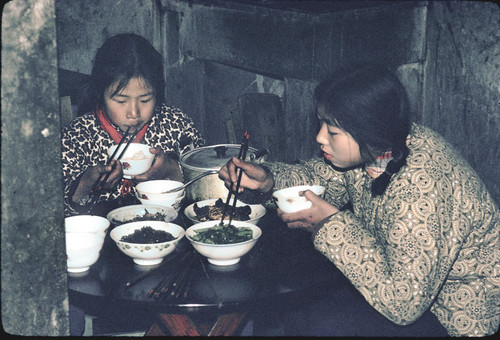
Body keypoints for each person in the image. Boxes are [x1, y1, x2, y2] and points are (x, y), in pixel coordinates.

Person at [218, 63, 499, 337]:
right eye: (321, 124)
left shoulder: (423, 186)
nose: (319, 137)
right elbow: (319, 179)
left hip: (455, 316)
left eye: (333, 132)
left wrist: (330, 224)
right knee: (298, 305)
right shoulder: (377, 148)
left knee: (322, 323)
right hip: (392, 280)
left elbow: (403, 303)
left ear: (368, 131)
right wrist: (268, 180)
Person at [61, 33, 204, 217]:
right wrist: (84, 184)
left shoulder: (177, 125)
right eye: (121, 101)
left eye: (145, 100)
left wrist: (173, 169)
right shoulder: (76, 137)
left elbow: (204, 192)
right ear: (100, 93)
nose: (134, 113)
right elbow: (52, 212)